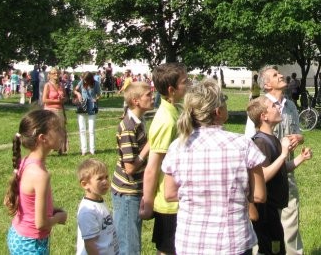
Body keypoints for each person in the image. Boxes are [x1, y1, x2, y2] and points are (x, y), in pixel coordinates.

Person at [162, 79, 267, 255]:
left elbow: (169, 193)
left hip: (190, 242)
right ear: (218, 111)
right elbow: (259, 195)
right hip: (232, 241)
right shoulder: (243, 144)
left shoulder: (177, 146)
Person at [245, 66, 305, 255]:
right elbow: (250, 145)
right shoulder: (260, 107)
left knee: (291, 223)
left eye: (279, 73)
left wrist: (299, 138)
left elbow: (299, 132)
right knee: (265, 230)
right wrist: (281, 150)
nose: (281, 75)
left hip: (285, 174)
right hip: (264, 180)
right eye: (275, 75)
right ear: (267, 85)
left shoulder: (290, 106)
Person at [140, 62, 189, 255]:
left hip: (177, 198)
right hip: (168, 204)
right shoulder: (166, 121)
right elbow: (152, 166)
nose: (189, 84)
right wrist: (148, 204)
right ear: (171, 89)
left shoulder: (174, 110)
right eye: (184, 82)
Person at [4, 109, 68, 254]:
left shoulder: (27, 161)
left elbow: (29, 204)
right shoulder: (40, 175)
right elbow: (41, 224)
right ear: (42, 138)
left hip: (19, 235)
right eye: (57, 130)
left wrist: (52, 210)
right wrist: (59, 217)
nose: (62, 133)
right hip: (31, 244)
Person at [111, 82, 152, 255]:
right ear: (136, 101)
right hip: (127, 193)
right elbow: (129, 168)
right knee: (129, 247)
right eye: (148, 95)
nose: (152, 98)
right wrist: (149, 146)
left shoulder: (138, 121)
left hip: (134, 191)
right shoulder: (128, 127)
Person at [76, 158, 119, 255]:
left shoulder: (98, 202)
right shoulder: (88, 211)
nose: (105, 181)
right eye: (100, 179)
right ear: (85, 184)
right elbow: (90, 245)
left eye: (106, 177)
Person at [42, 67, 68, 155]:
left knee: (60, 130)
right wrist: (57, 101)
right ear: (49, 75)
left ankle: (61, 149)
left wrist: (63, 99)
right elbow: (44, 100)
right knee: (50, 130)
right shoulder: (47, 85)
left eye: (57, 73)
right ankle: (48, 148)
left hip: (59, 110)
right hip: (50, 110)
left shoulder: (61, 85)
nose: (56, 75)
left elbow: (65, 98)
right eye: (54, 73)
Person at [73, 72, 101, 156]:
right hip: (82, 105)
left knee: (91, 130)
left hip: (91, 106)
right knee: (82, 129)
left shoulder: (96, 83)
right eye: (84, 79)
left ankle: (92, 150)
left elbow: (99, 95)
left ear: (90, 79)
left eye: (86, 80)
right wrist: (78, 93)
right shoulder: (81, 82)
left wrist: (96, 99)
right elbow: (75, 90)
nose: (85, 81)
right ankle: (84, 150)